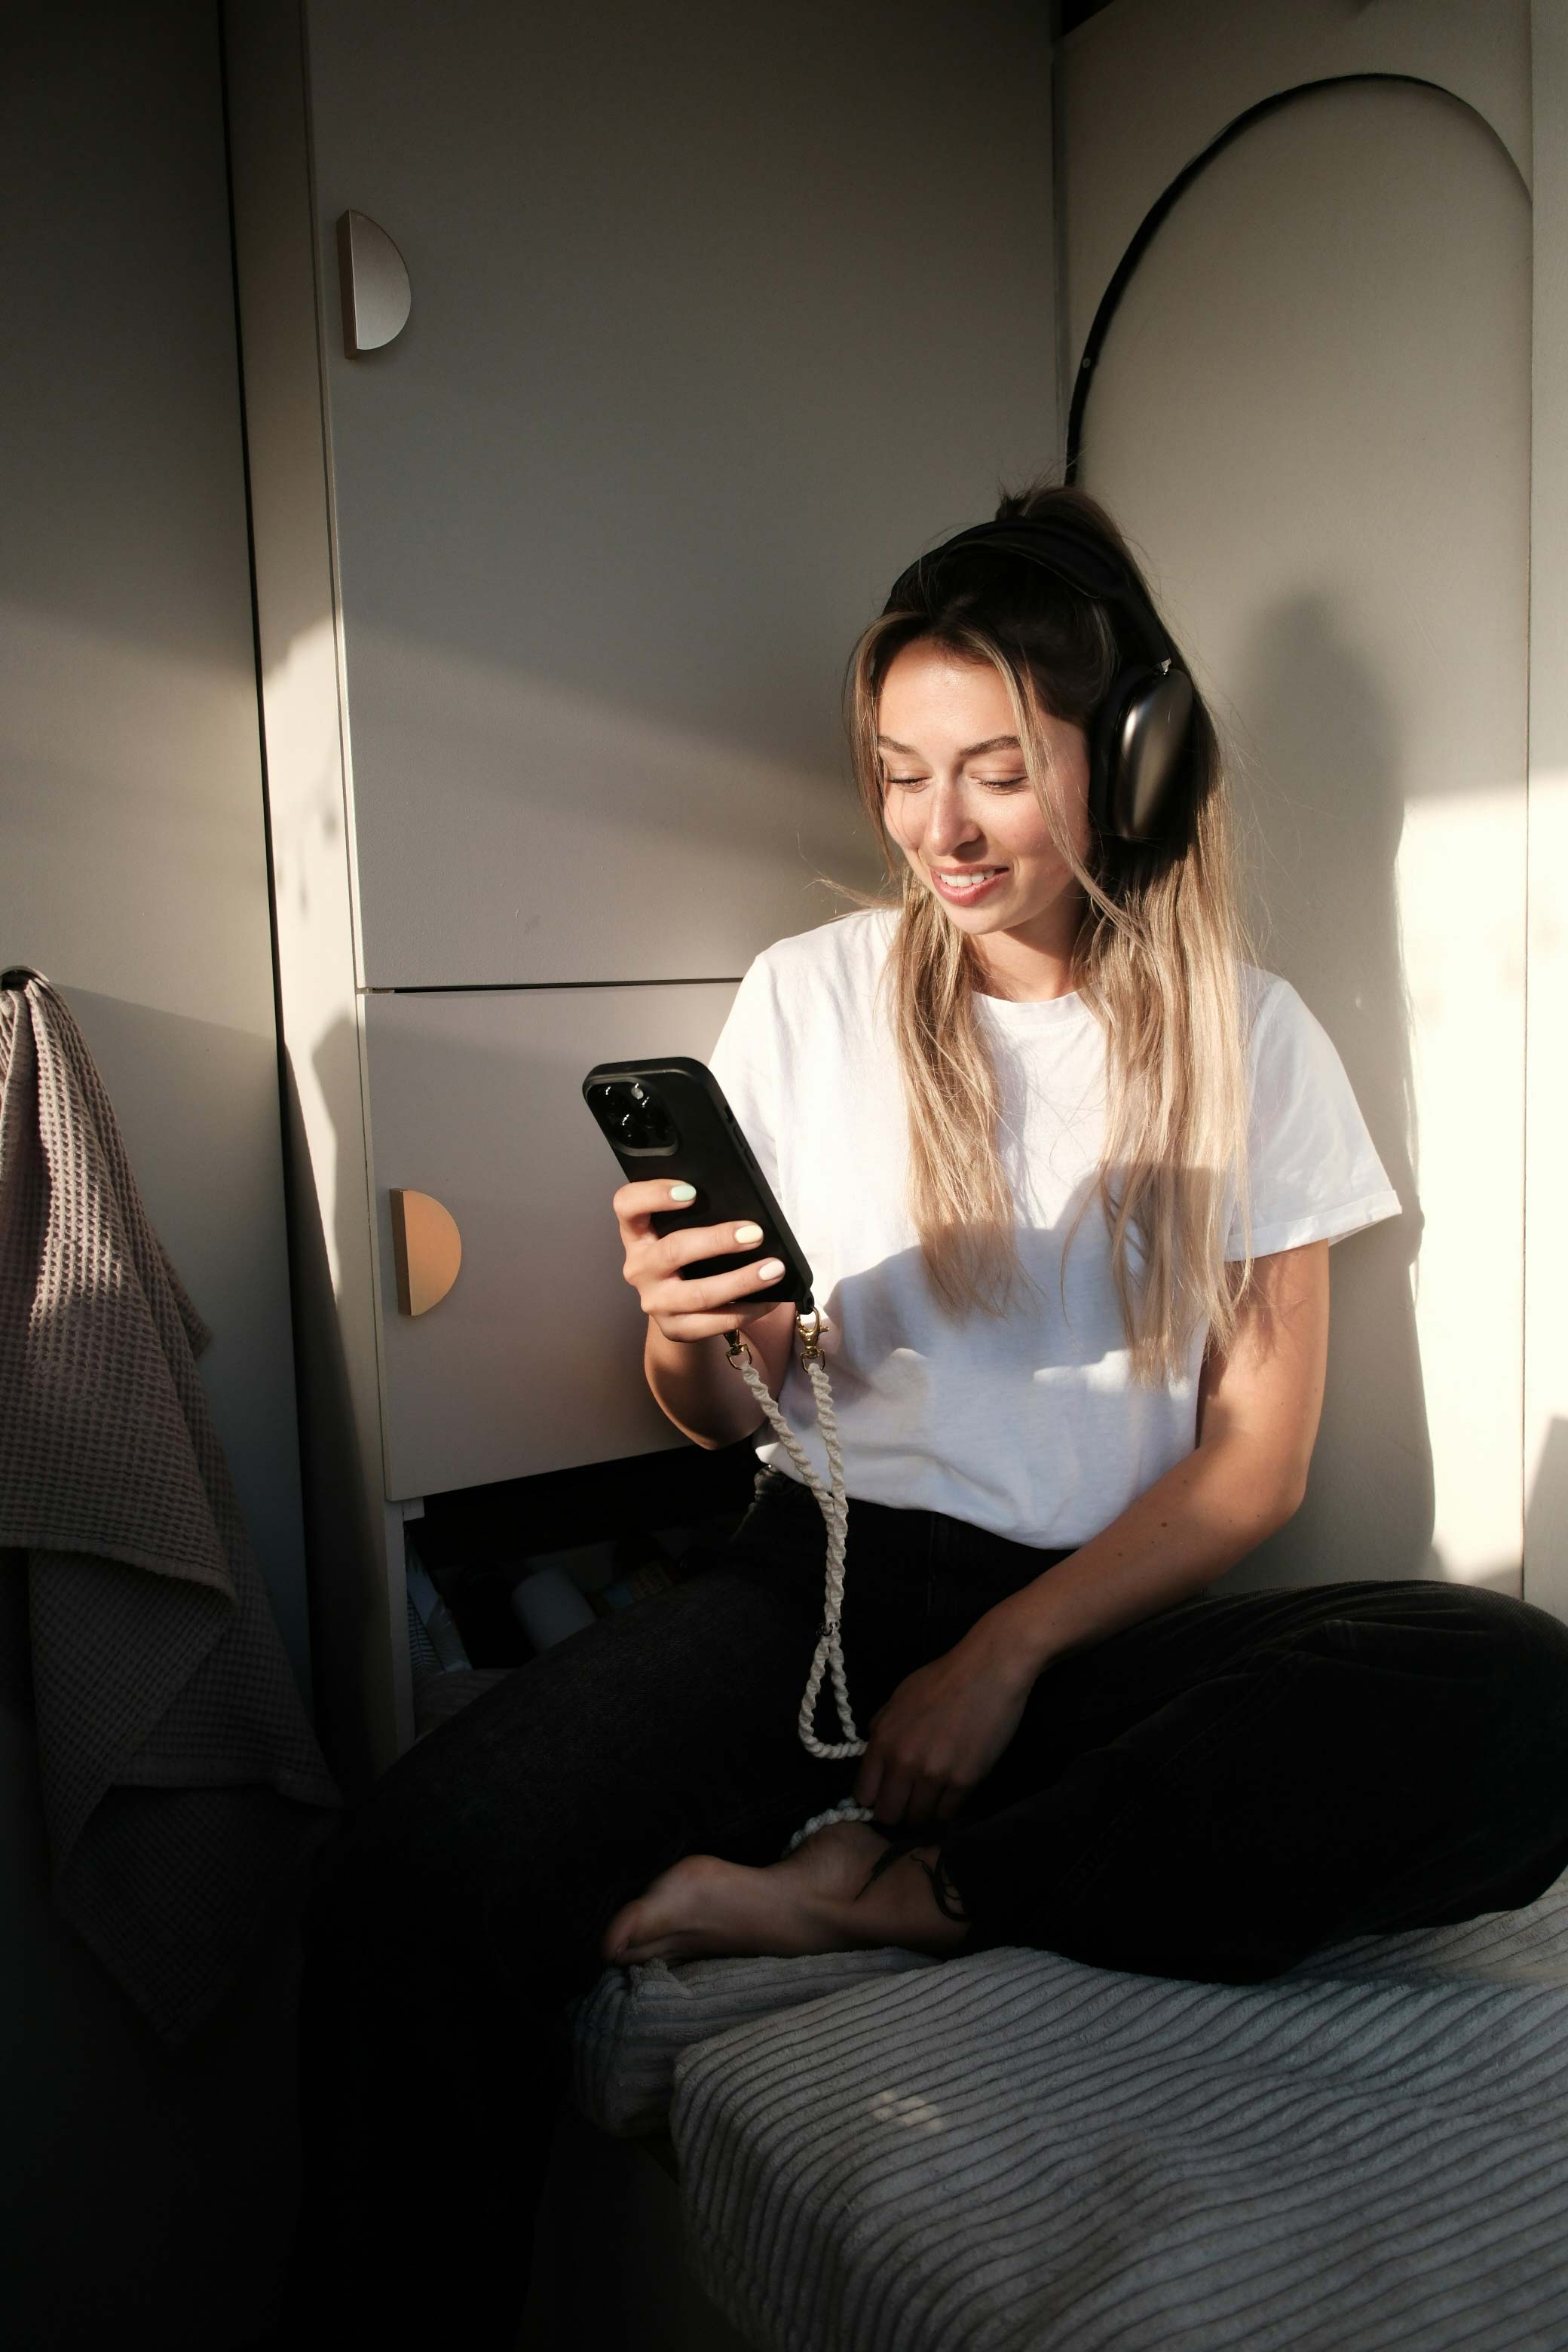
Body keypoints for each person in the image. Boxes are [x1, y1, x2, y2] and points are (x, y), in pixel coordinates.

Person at [274, 479, 1568, 2348]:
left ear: (1124, 765)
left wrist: (1013, 1655)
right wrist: (685, 1336)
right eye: (898, 771)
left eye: (993, 769)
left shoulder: (1254, 1038)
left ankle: (882, 1901)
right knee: (404, 1887)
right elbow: (721, 1415)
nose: (935, 829)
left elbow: (1255, 1466)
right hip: (810, 1594)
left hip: (1093, 1631)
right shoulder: (813, 999)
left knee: (1514, 1692)